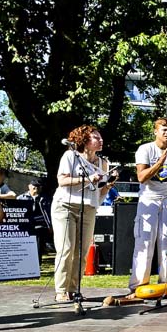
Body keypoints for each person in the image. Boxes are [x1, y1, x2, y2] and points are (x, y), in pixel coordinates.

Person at [51, 126, 114, 301]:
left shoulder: (103, 163)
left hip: (89, 208)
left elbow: (99, 192)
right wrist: (87, 179)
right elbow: (62, 180)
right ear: (84, 140)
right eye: (96, 138)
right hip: (66, 206)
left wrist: (108, 185)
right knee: (66, 248)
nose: (100, 140)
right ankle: (61, 291)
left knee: (82, 250)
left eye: (101, 137)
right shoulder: (71, 156)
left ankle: (74, 288)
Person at [128, 117, 167, 293]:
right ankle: (138, 286)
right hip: (149, 198)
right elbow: (141, 177)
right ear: (155, 131)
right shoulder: (145, 149)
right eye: (164, 129)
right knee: (144, 243)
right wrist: (159, 163)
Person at [17, 179, 53, 263]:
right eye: (34, 186)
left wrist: (50, 225)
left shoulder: (45, 198)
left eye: (38, 186)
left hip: (41, 224)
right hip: (26, 224)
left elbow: (49, 213)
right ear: (29, 186)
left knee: (39, 242)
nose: (36, 188)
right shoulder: (21, 198)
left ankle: (37, 262)